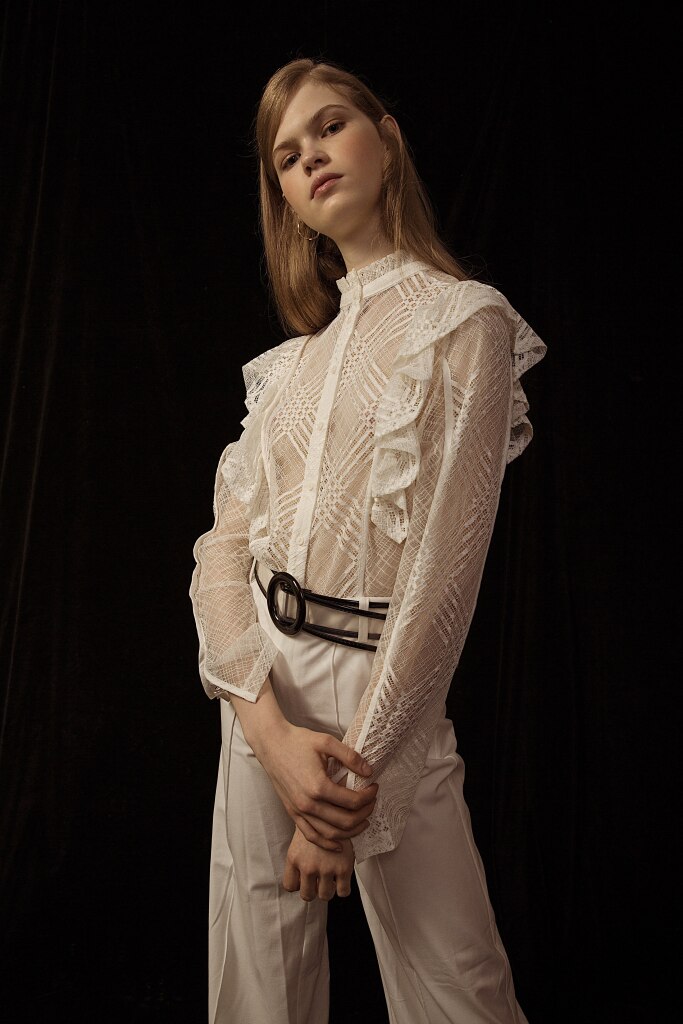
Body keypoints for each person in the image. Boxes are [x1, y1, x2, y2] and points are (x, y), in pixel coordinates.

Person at [189, 56, 547, 1024]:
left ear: (384, 139)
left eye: (330, 126)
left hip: (386, 686)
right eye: (286, 156)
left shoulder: (462, 323)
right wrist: (266, 732)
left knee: (455, 989)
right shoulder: (284, 370)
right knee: (254, 988)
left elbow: (444, 576)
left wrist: (344, 792)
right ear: (284, 200)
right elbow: (220, 554)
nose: (311, 158)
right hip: (262, 686)